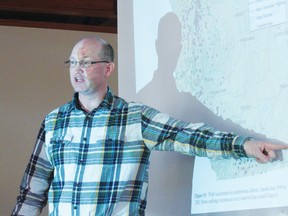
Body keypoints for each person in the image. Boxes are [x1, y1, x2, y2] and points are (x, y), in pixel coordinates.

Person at [11, 36, 288, 216]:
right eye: (72, 63)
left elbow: (188, 135)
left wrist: (245, 145)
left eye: (85, 62)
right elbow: (33, 191)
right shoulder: (54, 121)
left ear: (108, 68)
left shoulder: (135, 118)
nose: (76, 70)